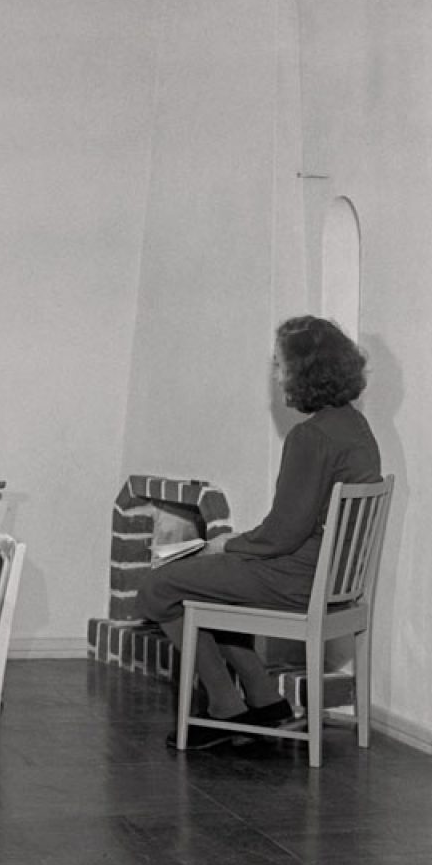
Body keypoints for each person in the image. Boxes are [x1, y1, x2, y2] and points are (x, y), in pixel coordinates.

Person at [136, 314, 383, 748]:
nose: (275, 372)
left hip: (299, 577)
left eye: (280, 363)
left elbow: (281, 535)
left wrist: (226, 543)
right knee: (213, 581)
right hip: (332, 576)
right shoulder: (354, 426)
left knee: (156, 587)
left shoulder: (311, 437)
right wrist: (233, 550)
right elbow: (291, 529)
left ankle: (223, 707)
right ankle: (266, 699)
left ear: (305, 370)